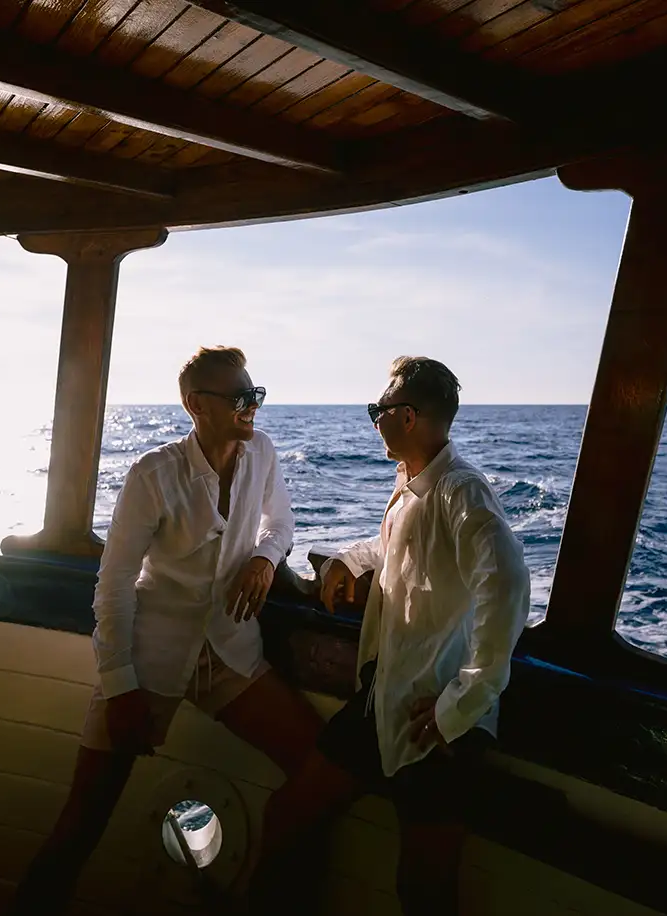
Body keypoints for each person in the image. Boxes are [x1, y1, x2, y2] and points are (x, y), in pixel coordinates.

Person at [12, 346, 326, 914]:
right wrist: (120, 687)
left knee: (318, 764)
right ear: (195, 406)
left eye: (255, 394)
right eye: (239, 397)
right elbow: (113, 584)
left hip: (231, 655)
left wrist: (264, 558)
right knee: (81, 823)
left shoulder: (261, 453)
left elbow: (280, 521)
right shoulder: (153, 474)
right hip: (149, 661)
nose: (252, 407)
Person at [250, 356, 531, 915]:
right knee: (288, 814)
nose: (374, 420)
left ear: (408, 416)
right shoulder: (413, 486)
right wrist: (349, 559)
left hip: (436, 717)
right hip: (384, 697)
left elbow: (507, 585)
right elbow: (394, 547)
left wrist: (462, 704)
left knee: (424, 887)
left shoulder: (461, 491)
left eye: (377, 410)